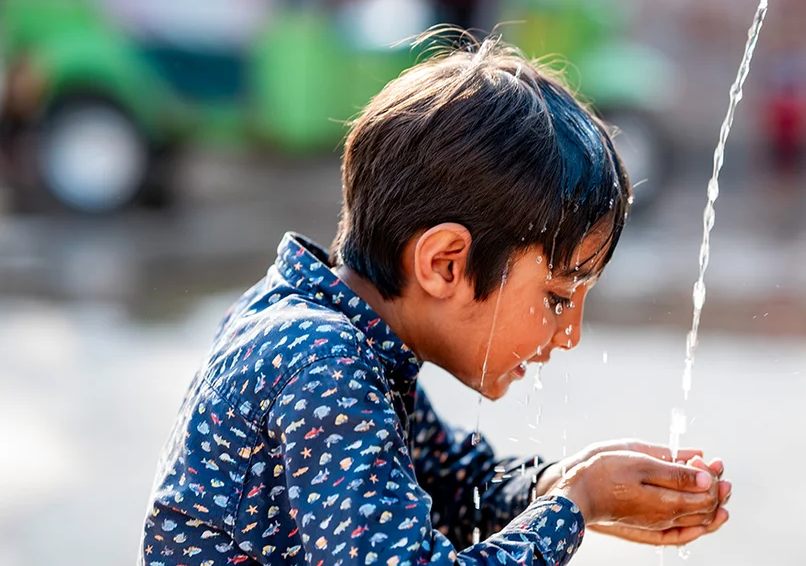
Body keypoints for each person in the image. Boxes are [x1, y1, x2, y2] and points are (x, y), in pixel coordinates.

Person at [139, 35, 730, 566]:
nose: (570, 333)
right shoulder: (321, 362)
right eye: (557, 296)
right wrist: (574, 505)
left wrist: (570, 483)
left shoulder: (331, 331)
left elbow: (459, 488)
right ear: (444, 263)